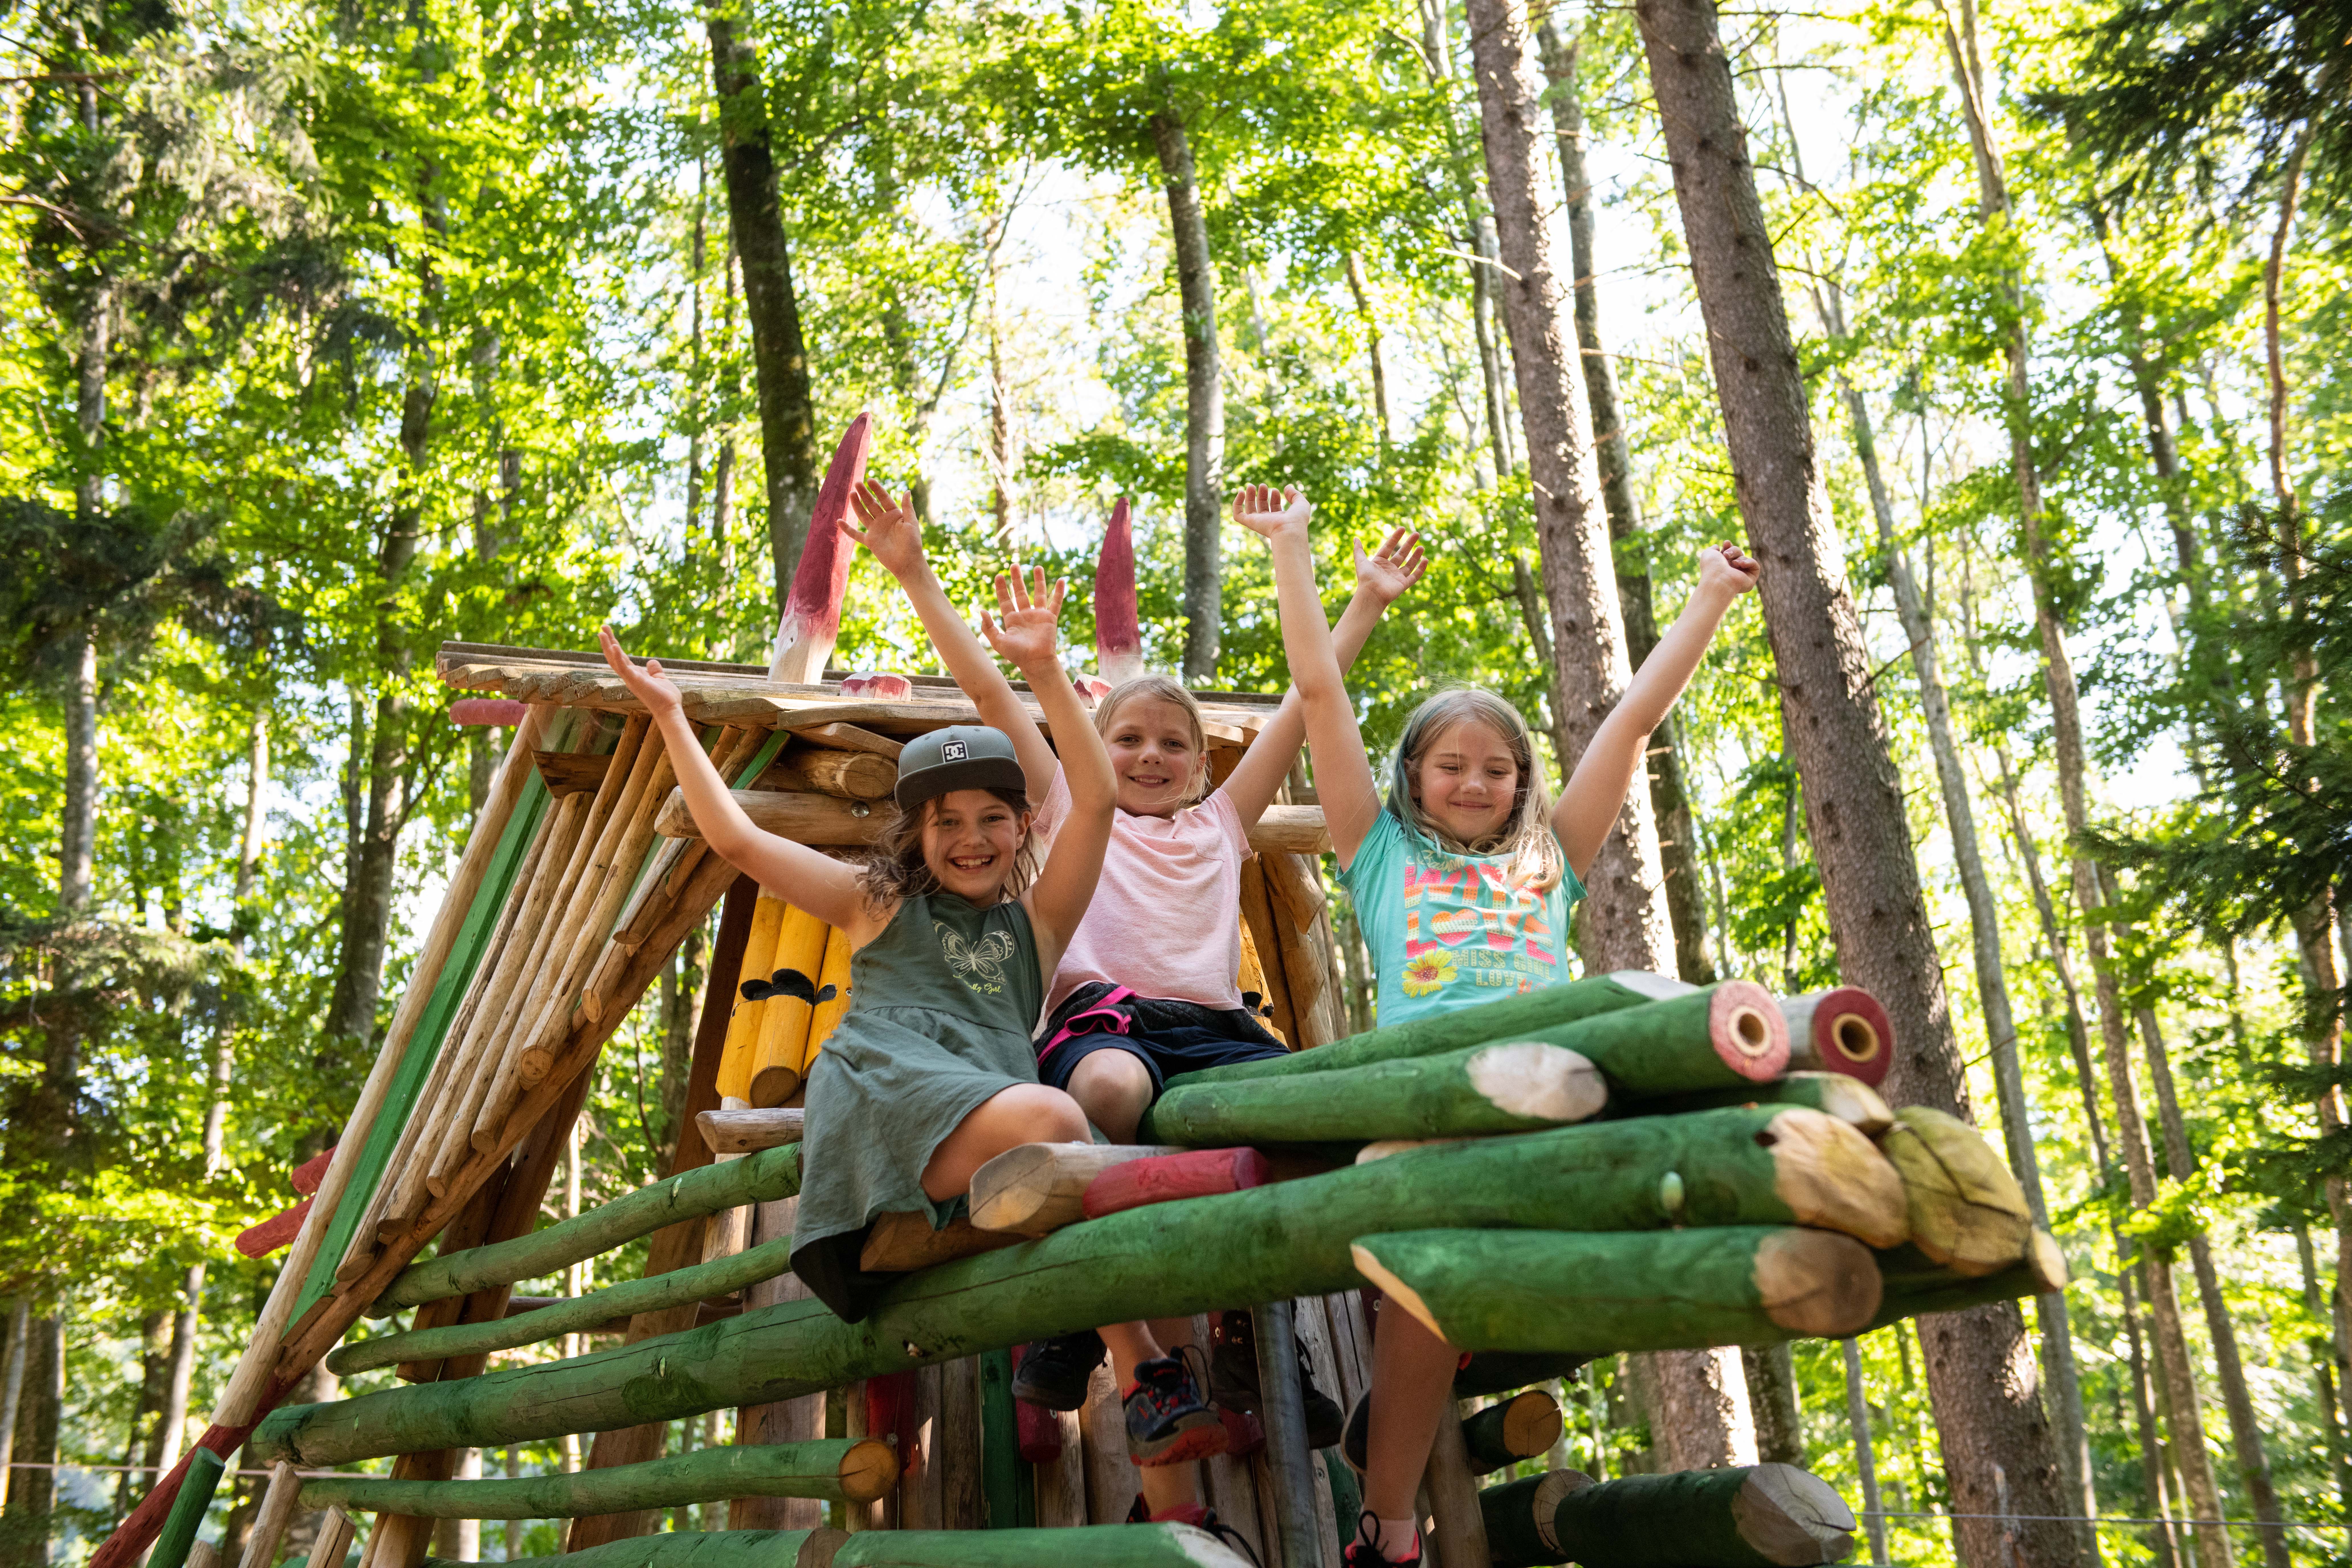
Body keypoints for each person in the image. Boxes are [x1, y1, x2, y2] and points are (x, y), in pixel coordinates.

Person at [1236, 482, 1757, 1567]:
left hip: (1551, 1095)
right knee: (1428, 1238)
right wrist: (1293, 550)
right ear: (1414, 782)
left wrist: (1709, 597)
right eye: (1452, 766)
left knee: (1589, 1174)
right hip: (1432, 1097)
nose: (1477, 781)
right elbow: (1321, 699)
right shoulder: (1379, 856)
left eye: (1499, 767)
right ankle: (1389, 1520)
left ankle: (1462, 1340)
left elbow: (1631, 722)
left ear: (1523, 783)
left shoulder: (1550, 859)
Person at [837, 481, 1387, 1501]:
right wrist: (915, 574)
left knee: (1313, 1131)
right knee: (1111, 1099)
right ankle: (1078, 1310)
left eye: (1173, 744)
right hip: (1108, 1021)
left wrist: (1352, 599)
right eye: (1127, 739)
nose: (1147, 757)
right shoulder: (1062, 808)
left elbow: (1307, 706)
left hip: (1221, 1032)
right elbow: (1001, 699)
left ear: (1201, 762)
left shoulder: (1223, 823)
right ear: (1098, 747)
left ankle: (1240, 1332)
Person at [593, 561, 1116, 1327]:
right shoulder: (878, 905)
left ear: (1027, 824)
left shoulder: (1036, 925)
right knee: (1062, 1128)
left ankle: (1155, 1388)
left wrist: (1042, 668)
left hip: (986, 1122)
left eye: (992, 819)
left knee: (1116, 1184)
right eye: (947, 822)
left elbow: (1097, 798)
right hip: (892, 1109)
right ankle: (1115, 1354)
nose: (971, 839)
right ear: (917, 832)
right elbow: (737, 838)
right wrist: (671, 717)